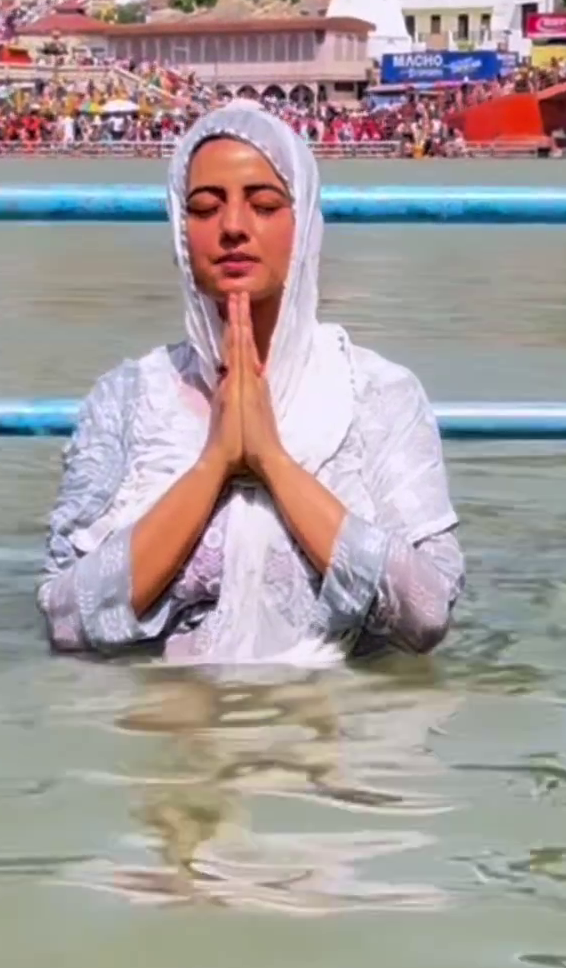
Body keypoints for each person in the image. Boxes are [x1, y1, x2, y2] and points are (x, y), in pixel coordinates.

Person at [38, 103, 464, 666]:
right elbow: (65, 616)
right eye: (204, 208)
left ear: (304, 222)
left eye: (264, 205)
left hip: (337, 737)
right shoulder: (130, 398)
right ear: (180, 231)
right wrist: (213, 464)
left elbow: (427, 612)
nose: (233, 227)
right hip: (162, 735)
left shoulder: (378, 394)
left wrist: (272, 462)